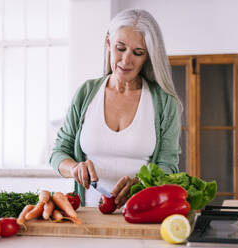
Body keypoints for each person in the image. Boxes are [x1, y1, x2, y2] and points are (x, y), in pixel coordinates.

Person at [50, 8, 182, 208]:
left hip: (143, 215)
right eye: (120, 48)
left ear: (148, 56)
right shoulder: (86, 93)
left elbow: (168, 167)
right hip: (89, 218)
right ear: (108, 43)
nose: (126, 60)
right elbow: (59, 153)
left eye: (138, 53)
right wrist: (74, 168)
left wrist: (140, 184)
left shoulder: (164, 103)